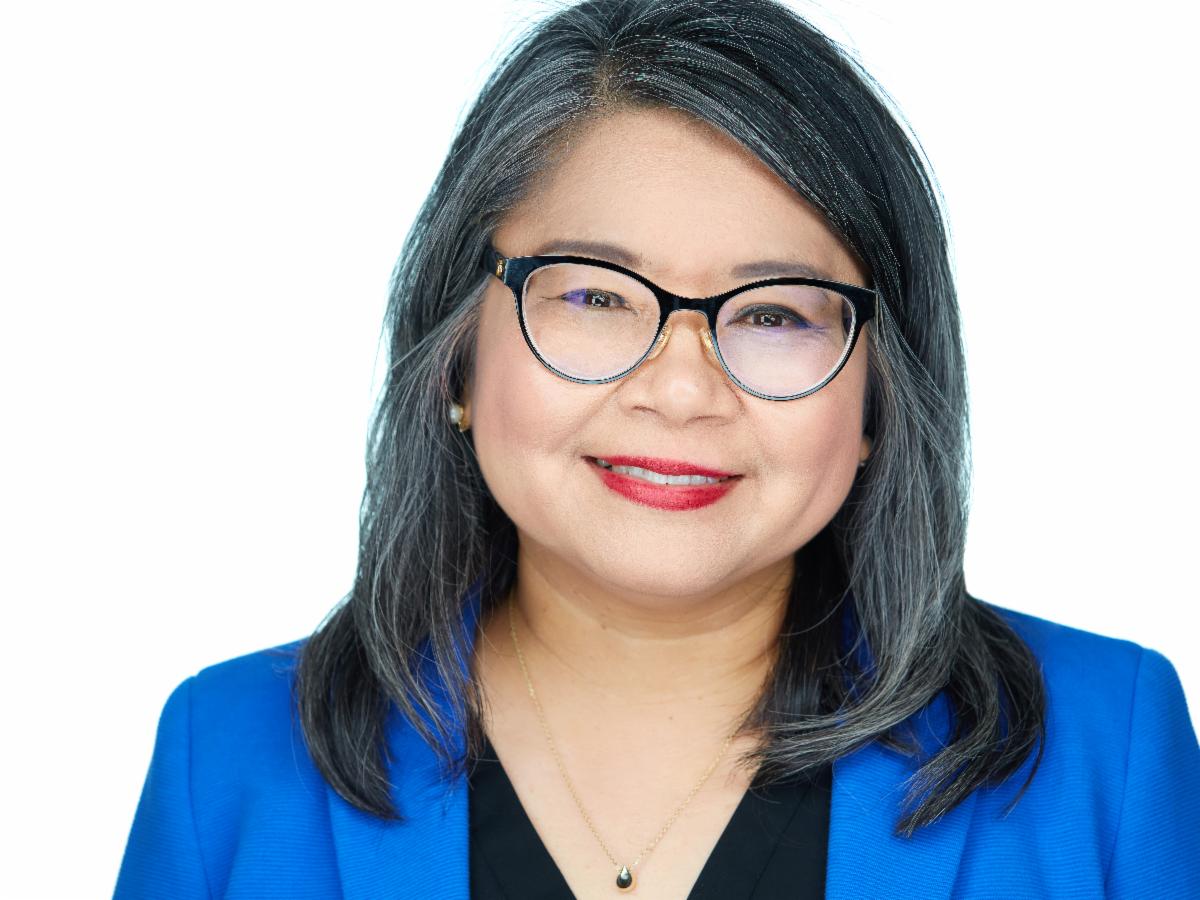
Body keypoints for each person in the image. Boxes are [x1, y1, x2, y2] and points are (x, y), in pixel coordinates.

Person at [113, 1, 1200, 897]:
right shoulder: (230, 763)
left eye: (774, 313)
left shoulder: (1105, 752)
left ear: (880, 391)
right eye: (594, 295)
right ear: (456, 354)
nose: (681, 391)